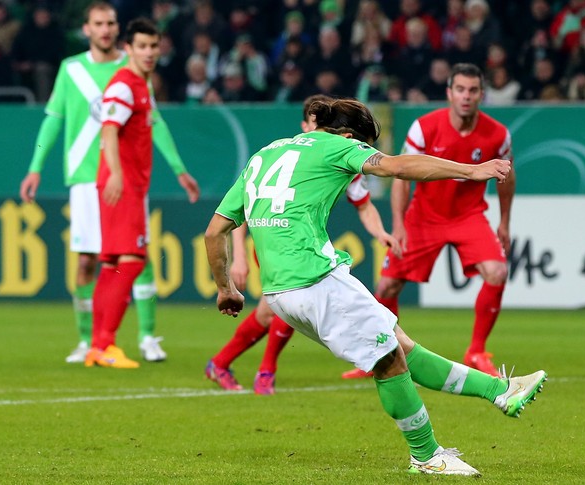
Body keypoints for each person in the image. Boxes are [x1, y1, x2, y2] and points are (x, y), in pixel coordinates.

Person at [204, 97, 547, 476]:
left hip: (281, 291)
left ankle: (500, 390)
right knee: (389, 361)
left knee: (398, 344)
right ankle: (427, 456)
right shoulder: (339, 145)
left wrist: (225, 289)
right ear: (351, 137)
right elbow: (399, 167)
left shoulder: (264, 155)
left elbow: (215, 230)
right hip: (314, 280)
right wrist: (471, 171)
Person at [18, 2, 200, 365]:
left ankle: (145, 336)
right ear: (86, 29)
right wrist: (35, 166)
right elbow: (54, 120)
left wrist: (178, 167)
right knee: (97, 259)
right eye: (98, 23)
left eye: (111, 23)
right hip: (91, 177)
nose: (106, 29)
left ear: (120, 31)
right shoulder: (73, 70)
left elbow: (154, 122)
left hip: (124, 178)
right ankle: (91, 341)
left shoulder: (133, 68)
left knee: (134, 256)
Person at [204, 94, 403, 394]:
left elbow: (363, 204)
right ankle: (266, 371)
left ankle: (221, 363)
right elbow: (246, 210)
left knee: (268, 312)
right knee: (298, 300)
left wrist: (379, 233)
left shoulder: (341, 156)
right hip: (276, 240)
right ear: (306, 125)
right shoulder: (289, 155)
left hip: (301, 241)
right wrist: (241, 258)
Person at [343, 63, 515, 380]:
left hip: (469, 216)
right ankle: (381, 355)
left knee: (497, 271)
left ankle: (477, 351)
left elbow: (507, 177)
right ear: (449, 93)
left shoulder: (498, 134)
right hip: (423, 216)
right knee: (387, 284)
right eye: (460, 89)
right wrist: (398, 223)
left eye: (473, 90)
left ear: (481, 94)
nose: (466, 96)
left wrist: (504, 222)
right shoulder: (425, 127)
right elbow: (401, 176)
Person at [83, 17, 164, 369]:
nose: (149, 53)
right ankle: (105, 344)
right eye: (142, 46)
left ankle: (97, 346)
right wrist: (116, 173)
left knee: (113, 264)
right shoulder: (125, 85)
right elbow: (109, 130)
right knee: (132, 261)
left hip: (125, 183)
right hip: (123, 184)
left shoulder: (141, 84)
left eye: (153, 46)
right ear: (128, 48)